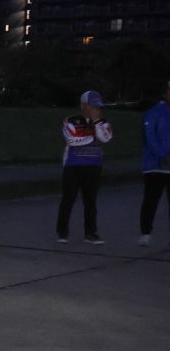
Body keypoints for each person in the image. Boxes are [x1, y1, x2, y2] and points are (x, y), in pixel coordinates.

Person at [57, 90, 112, 245]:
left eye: (98, 106)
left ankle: (91, 233)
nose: (96, 109)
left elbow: (105, 138)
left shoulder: (103, 122)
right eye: (92, 106)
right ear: (83, 106)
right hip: (73, 165)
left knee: (91, 201)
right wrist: (90, 138)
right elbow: (72, 140)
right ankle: (62, 232)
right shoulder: (71, 120)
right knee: (68, 199)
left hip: (94, 166)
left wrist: (96, 122)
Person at [139, 80, 170, 247]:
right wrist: (163, 155)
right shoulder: (153, 113)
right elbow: (150, 137)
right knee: (150, 201)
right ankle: (145, 233)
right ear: (164, 93)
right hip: (154, 167)